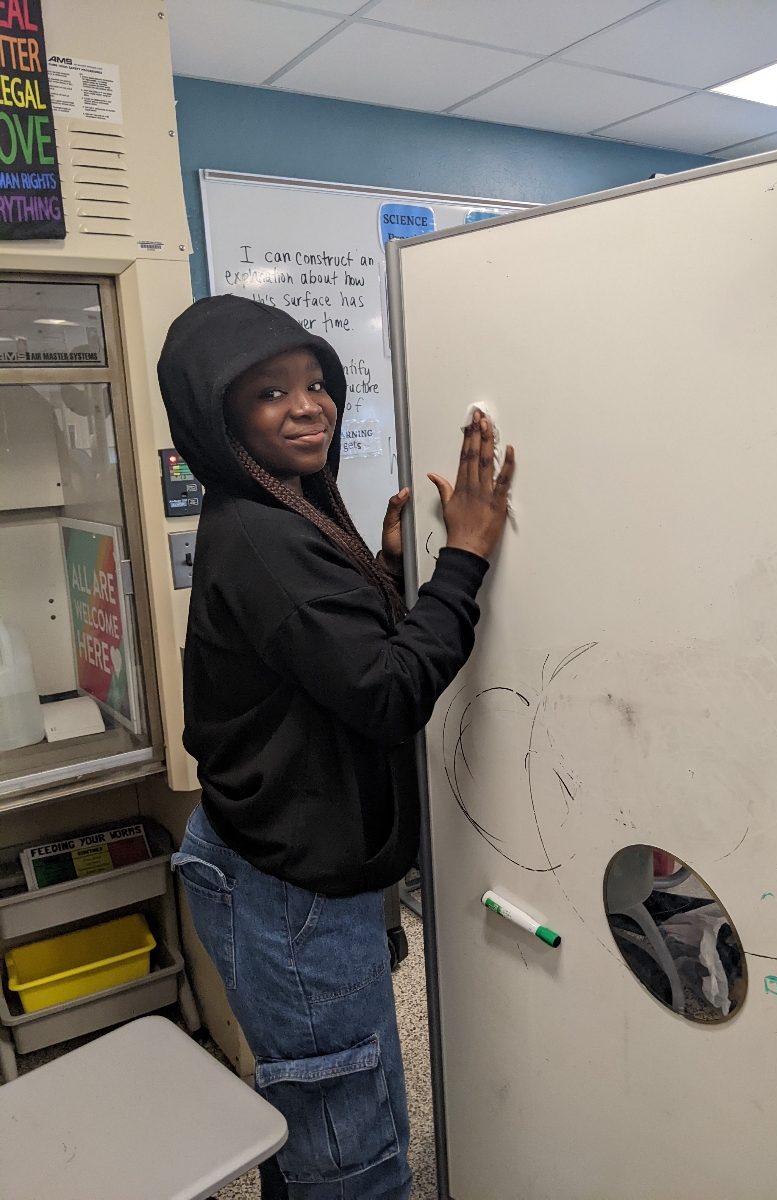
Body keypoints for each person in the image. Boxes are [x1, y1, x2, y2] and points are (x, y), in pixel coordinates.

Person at [157, 295, 514, 1200]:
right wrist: (465, 558)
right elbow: (388, 695)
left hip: (270, 861)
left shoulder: (274, 513)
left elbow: (328, 663)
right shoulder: (266, 538)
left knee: (314, 1115)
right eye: (270, 393)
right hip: (289, 894)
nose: (307, 406)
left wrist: (384, 573)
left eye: (315, 383)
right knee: (353, 1155)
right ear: (217, 418)